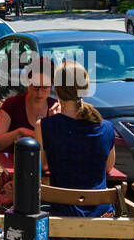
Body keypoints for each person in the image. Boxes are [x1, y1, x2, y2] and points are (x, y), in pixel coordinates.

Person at [35, 60, 115, 217]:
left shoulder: (44, 126)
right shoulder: (106, 127)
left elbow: (42, 166)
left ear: (56, 89)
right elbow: (108, 167)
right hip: (101, 220)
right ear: (85, 87)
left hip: (61, 220)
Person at [0, 54, 59, 207]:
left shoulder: (56, 108)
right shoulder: (12, 105)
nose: (40, 92)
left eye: (45, 87)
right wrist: (19, 132)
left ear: (53, 85)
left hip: (49, 177)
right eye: (35, 86)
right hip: (16, 175)